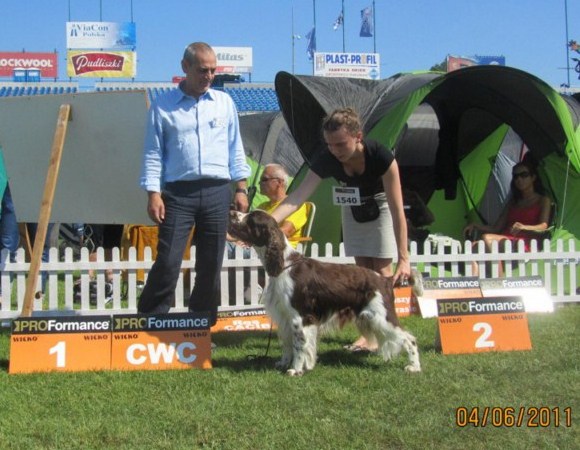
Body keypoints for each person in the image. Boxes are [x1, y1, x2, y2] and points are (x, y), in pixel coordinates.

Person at [270, 107, 410, 352]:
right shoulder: (327, 157)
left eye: (341, 144)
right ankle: (367, 335)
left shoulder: (381, 156)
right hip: (352, 205)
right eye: (330, 144)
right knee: (361, 272)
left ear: (358, 136)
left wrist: (404, 259)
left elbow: (398, 210)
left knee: (381, 272)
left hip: (380, 204)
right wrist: (269, 221)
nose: (334, 150)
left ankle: (386, 329)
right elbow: (298, 197)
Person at [138, 42, 251, 324]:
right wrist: (153, 193)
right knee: (168, 260)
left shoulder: (225, 103)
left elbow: (235, 148)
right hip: (178, 193)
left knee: (211, 264)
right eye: (203, 70)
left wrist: (241, 187)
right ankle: (149, 322)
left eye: (213, 70)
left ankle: (202, 327)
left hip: (218, 192)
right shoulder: (162, 106)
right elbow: (152, 153)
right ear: (185, 67)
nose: (209, 76)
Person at [463, 160, 552, 275]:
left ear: (533, 177)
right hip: (505, 240)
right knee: (473, 247)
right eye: (515, 176)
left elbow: (543, 226)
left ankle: (499, 280)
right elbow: (496, 228)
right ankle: (475, 282)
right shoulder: (513, 202)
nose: (519, 179)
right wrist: (475, 225)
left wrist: (524, 227)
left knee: (487, 238)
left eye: (524, 175)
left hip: (524, 243)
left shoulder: (543, 200)